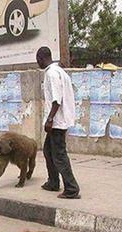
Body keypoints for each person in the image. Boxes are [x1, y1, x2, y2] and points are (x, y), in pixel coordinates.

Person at [36, 47, 80, 199]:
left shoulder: (51, 73)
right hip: (59, 120)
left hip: (57, 122)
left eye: (38, 60)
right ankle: (53, 182)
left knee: (59, 155)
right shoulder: (60, 71)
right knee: (48, 150)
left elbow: (57, 99)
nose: (38, 64)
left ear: (41, 58)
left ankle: (72, 189)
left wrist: (50, 119)